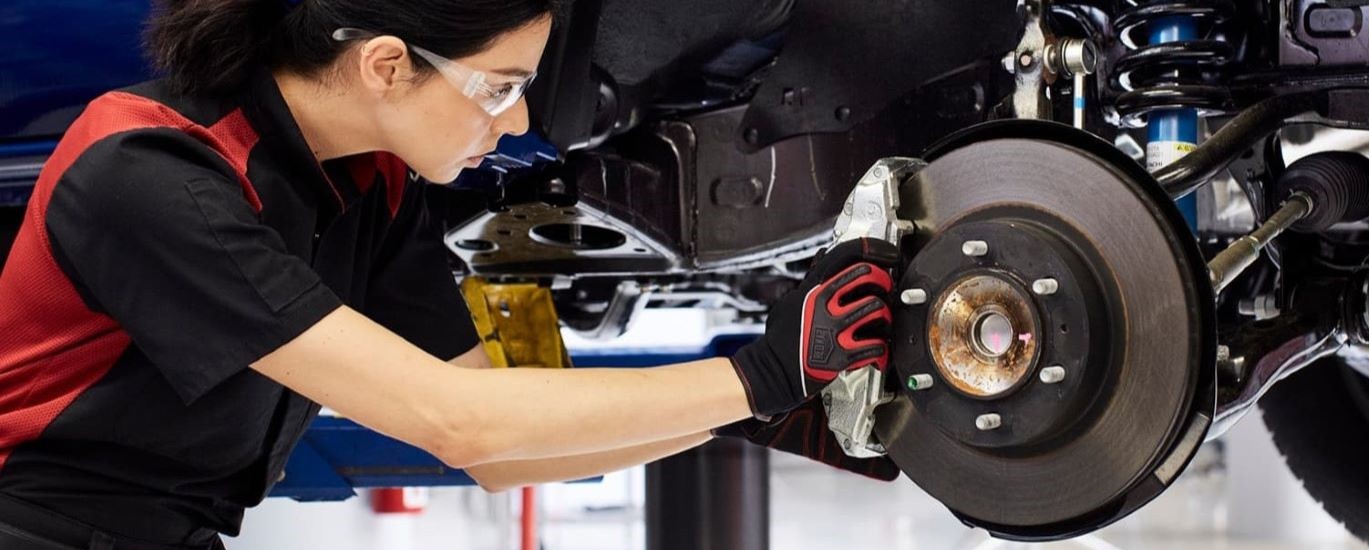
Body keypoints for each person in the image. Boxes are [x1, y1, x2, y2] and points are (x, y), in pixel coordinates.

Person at [0, 0, 900, 548]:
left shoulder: (370, 186)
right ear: (385, 64)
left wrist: (743, 413)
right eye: (500, 87)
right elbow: (458, 424)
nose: (516, 126)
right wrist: (759, 374)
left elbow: (501, 455)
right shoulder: (151, 174)